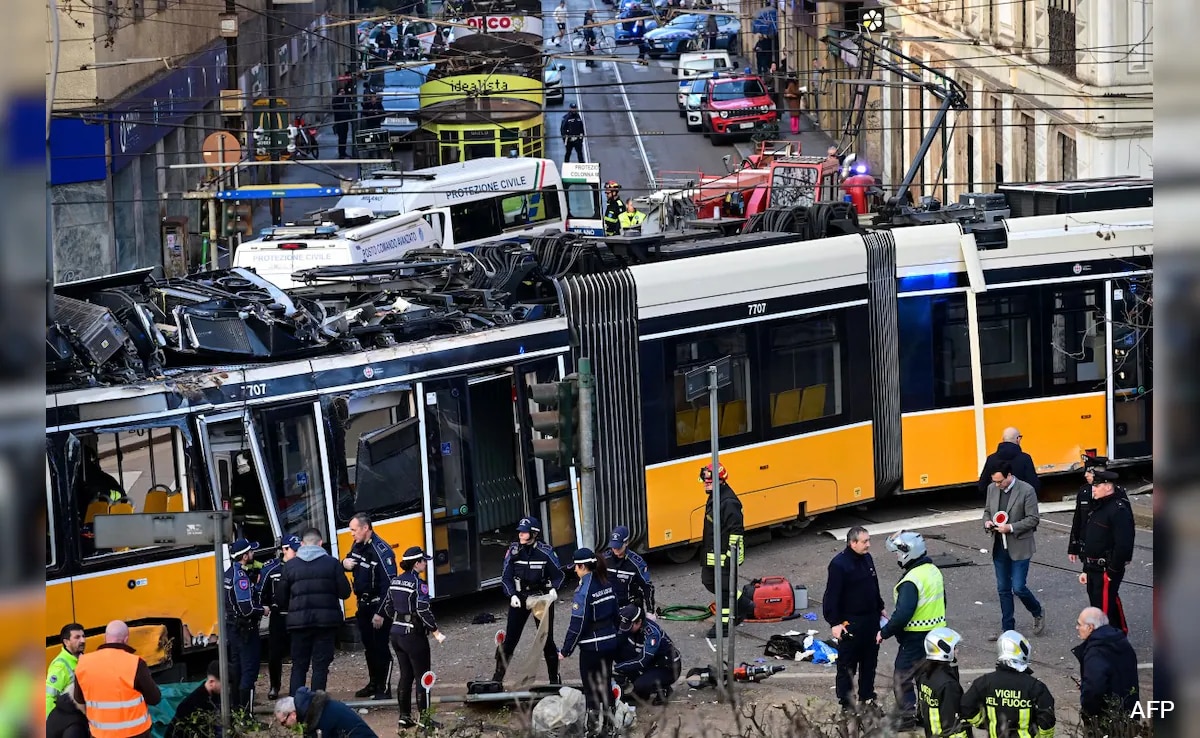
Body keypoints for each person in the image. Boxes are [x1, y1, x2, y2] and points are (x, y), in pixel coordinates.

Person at [877, 531, 945, 729]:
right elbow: (943, 601)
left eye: (898, 553)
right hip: (936, 634)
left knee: (902, 676)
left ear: (908, 553)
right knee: (925, 677)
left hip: (915, 636)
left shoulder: (911, 580)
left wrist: (884, 632)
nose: (897, 557)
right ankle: (926, 714)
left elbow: (903, 614)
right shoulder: (933, 571)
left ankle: (906, 718)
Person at [278, 527, 352, 695]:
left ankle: (296, 704)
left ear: (302, 544)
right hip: (326, 623)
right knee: (320, 667)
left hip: (298, 624)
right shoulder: (332, 563)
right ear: (320, 543)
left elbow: (281, 598)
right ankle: (317, 705)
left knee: (299, 666)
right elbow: (345, 593)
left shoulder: (290, 566)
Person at [494, 517, 565, 687]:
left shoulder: (546, 552)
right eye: (520, 531)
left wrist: (554, 589)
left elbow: (559, 575)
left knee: (546, 640)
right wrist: (512, 595)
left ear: (534, 534)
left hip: (541, 599)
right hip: (520, 598)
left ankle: (554, 679)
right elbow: (506, 577)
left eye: (524, 532)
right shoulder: (514, 551)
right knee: (510, 640)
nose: (521, 534)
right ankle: (496, 679)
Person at [382, 546, 446, 731]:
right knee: (423, 677)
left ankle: (404, 717)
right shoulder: (419, 583)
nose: (425, 564)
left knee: (405, 675)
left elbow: (387, 607)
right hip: (413, 635)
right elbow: (423, 610)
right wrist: (435, 630)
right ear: (417, 563)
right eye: (423, 561)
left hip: (396, 633)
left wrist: (399, 619)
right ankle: (425, 721)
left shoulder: (395, 581)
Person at [823, 526, 884, 711]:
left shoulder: (867, 558)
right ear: (853, 543)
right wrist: (834, 622)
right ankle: (847, 704)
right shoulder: (839, 564)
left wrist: (880, 607)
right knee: (847, 665)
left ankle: (867, 698)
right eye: (864, 541)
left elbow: (873, 585)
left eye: (868, 540)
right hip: (851, 622)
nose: (868, 544)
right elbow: (832, 595)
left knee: (869, 663)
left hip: (870, 620)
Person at [559, 549, 619, 736]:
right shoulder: (606, 583)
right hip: (610, 643)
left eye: (576, 567)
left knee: (591, 688)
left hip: (592, 647)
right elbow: (617, 614)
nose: (575, 570)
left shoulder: (583, 590)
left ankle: (592, 730)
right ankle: (610, 728)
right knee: (606, 684)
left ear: (583, 566)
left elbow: (577, 624)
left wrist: (566, 650)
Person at [983, 461, 1046, 639]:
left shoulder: (1026, 490)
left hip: (1020, 546)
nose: (997, 485)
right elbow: (987, 511)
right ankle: (1008, 629)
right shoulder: (991, 489)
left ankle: (1037, 611)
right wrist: (987, 522)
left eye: (1000, 481)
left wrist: (1010, 528)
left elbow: (1033, 519)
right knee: (1003, 589)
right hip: (999, 546)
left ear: (1009, 475)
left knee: (1018, 587)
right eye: (995, 481)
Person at [73, 620, 162, 738]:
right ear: (126, 639)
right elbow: (155, 698)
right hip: (135, 734)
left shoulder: (83, 663)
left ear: (105, 638)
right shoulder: (135, 663)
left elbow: (79, 699)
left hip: (100, 735)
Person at [342, 514, 398, 700]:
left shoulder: (382, 551)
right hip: (363, 605)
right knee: (369, 648)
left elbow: (389, 585)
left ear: (365, 528)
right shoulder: (357, 545)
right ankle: (374, 683)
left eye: (354, 530)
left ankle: (384, 688)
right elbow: (350, 562)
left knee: (381, 648)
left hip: (378, 606)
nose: (351, 534)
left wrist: (381, 613)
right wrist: (344, 564)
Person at [961, 631, 1056, 738]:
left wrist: (984, 723)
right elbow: (1047, 719)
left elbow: (966, 707)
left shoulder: (984, 682)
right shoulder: (1035, 686)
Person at [1076, 470, 1135, 634]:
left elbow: (1123, 544)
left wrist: (1112, 571)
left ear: (1108, 487)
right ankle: (1117, 635)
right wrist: (1086, 568)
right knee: (1101, 605)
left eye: (1097, 486)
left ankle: (1107, 640)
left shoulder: (1118, 510)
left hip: (1105, 569)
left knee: (1103, 610)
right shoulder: (1097, 506)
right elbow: (1091, 539)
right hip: (1093, 567)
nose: (1093, 489)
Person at [1072, 606, 1140, 727]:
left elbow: (1094, 689)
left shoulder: (1095, 652)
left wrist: (1088, 715)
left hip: (1107, 718)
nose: (1077, 628)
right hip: (1129, 709)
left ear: (1090, 627)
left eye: (1079, 624)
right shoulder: (1121, 641)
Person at [700, 463, 744, 639]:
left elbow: (736, 532)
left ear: (720, 481)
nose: (706, 484)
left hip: (724, 555)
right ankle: (743, 605)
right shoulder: (715, 497)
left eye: (709, 481)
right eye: (705, 481)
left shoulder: (729, 502)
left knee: (724, 589)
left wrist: (730, 557)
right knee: (709, 582)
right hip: (712, 554)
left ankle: (725, 625)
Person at [222, 537, 263, 712]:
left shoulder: (227, 574)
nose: (253, 553)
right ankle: (247, 715)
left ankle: (236, 711)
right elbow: (246, 609)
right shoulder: (240, 577)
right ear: (245, 556)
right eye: (251, 551)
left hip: (232, 628)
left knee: (237, 669)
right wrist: (263, 610)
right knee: (249, 671)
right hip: (245, 630)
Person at [257, 535, 299, 701]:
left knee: (298, 654)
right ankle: (274, 686)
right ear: (284, 549)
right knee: (274, 655)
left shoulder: (302, 565)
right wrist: (265, 606)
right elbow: (261, 592)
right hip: (278, 617)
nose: (298, 553)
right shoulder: (271, 568)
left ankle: (296, 689)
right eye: (295, 550)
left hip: (297, 616)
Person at [613, 604, 680, 705]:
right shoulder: (630, 626)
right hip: (651, 662)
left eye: (630, 626)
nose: (626, 629)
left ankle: (663, 689)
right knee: (616, 649)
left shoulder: (652, 634)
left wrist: (617, 668)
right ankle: (641, 693)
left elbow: (642, 660)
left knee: (640, 684)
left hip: (668, 667)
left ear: (639, 622)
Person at [913, 628, 970, 738]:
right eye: (955, 647)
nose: (957, 650)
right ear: (945, 650)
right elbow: (951, 723)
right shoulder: (948, 685)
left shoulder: (925, 675)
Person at [274, 688, 377, 738]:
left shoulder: (321, 720)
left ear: (293, 714)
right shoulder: (313, 710)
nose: (284, 726)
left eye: (284, 722)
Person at [602, 526, 655, 613]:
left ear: (626, 542)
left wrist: (650, 611)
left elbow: (647, 587)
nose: (615, 549)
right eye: (613, 546)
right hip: (609, 606)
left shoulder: (637, 564)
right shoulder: (605, 559)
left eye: (618, 546)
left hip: (630, 607)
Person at [1067, 455, 1109, 563]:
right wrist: (1073, 547)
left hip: (1107, 550)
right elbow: (1077, 520)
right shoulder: (1084, 492)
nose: (1085, 475)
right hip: (1087, 548)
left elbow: (1124, 528)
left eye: (1089, 472)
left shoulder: (1114, 492)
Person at [164, 661, 221, 738]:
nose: (228, 689)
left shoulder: (215, 696)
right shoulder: (191, 705)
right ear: (212, 682)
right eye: (225, 685)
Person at [977, 427, 1041, 494]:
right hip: (1019, 498)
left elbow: (982, 486)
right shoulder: (1025, 458)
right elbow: (1034, 485)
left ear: (1003, 439)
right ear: (1018, 439)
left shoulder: (991, 459)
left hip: (998, 499)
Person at [46, 623, 85, 716]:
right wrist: (53, 722)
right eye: (77, 637)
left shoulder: (82, 659)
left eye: (83, 636)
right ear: (66, 642)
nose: (83, 640)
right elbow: (49, 697)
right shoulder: (60, 666)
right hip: (69, 718)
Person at [332, 83, 355, 159]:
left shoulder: (346, 99)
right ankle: (341, 153)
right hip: (339, 122)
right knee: (341, 138)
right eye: (341, 92)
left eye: (343, 91)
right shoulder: (336, 99)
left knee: (344, 138)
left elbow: (348, 109)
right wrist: (340, 97)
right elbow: (336, 106)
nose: (343, 93)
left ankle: (343, 152)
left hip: (345, 122)